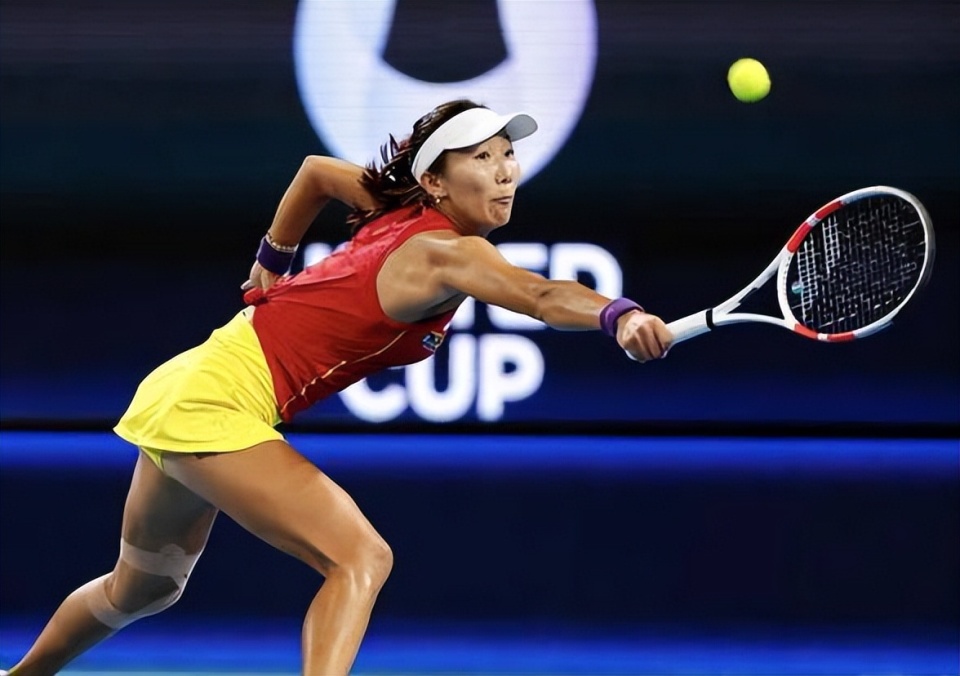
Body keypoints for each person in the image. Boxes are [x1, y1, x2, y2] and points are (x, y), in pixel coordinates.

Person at [5, 99, 672, 676]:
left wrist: (272, 257)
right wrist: (619, 314)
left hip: (191, 383)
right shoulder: (449, 251)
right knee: (360, 557)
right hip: (214, 400)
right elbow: (542, 295)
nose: (505, 171)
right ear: (434, 182)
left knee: (143, 590)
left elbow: (316, 173)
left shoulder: (394, 209)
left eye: (507, 155)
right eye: (481, 157)